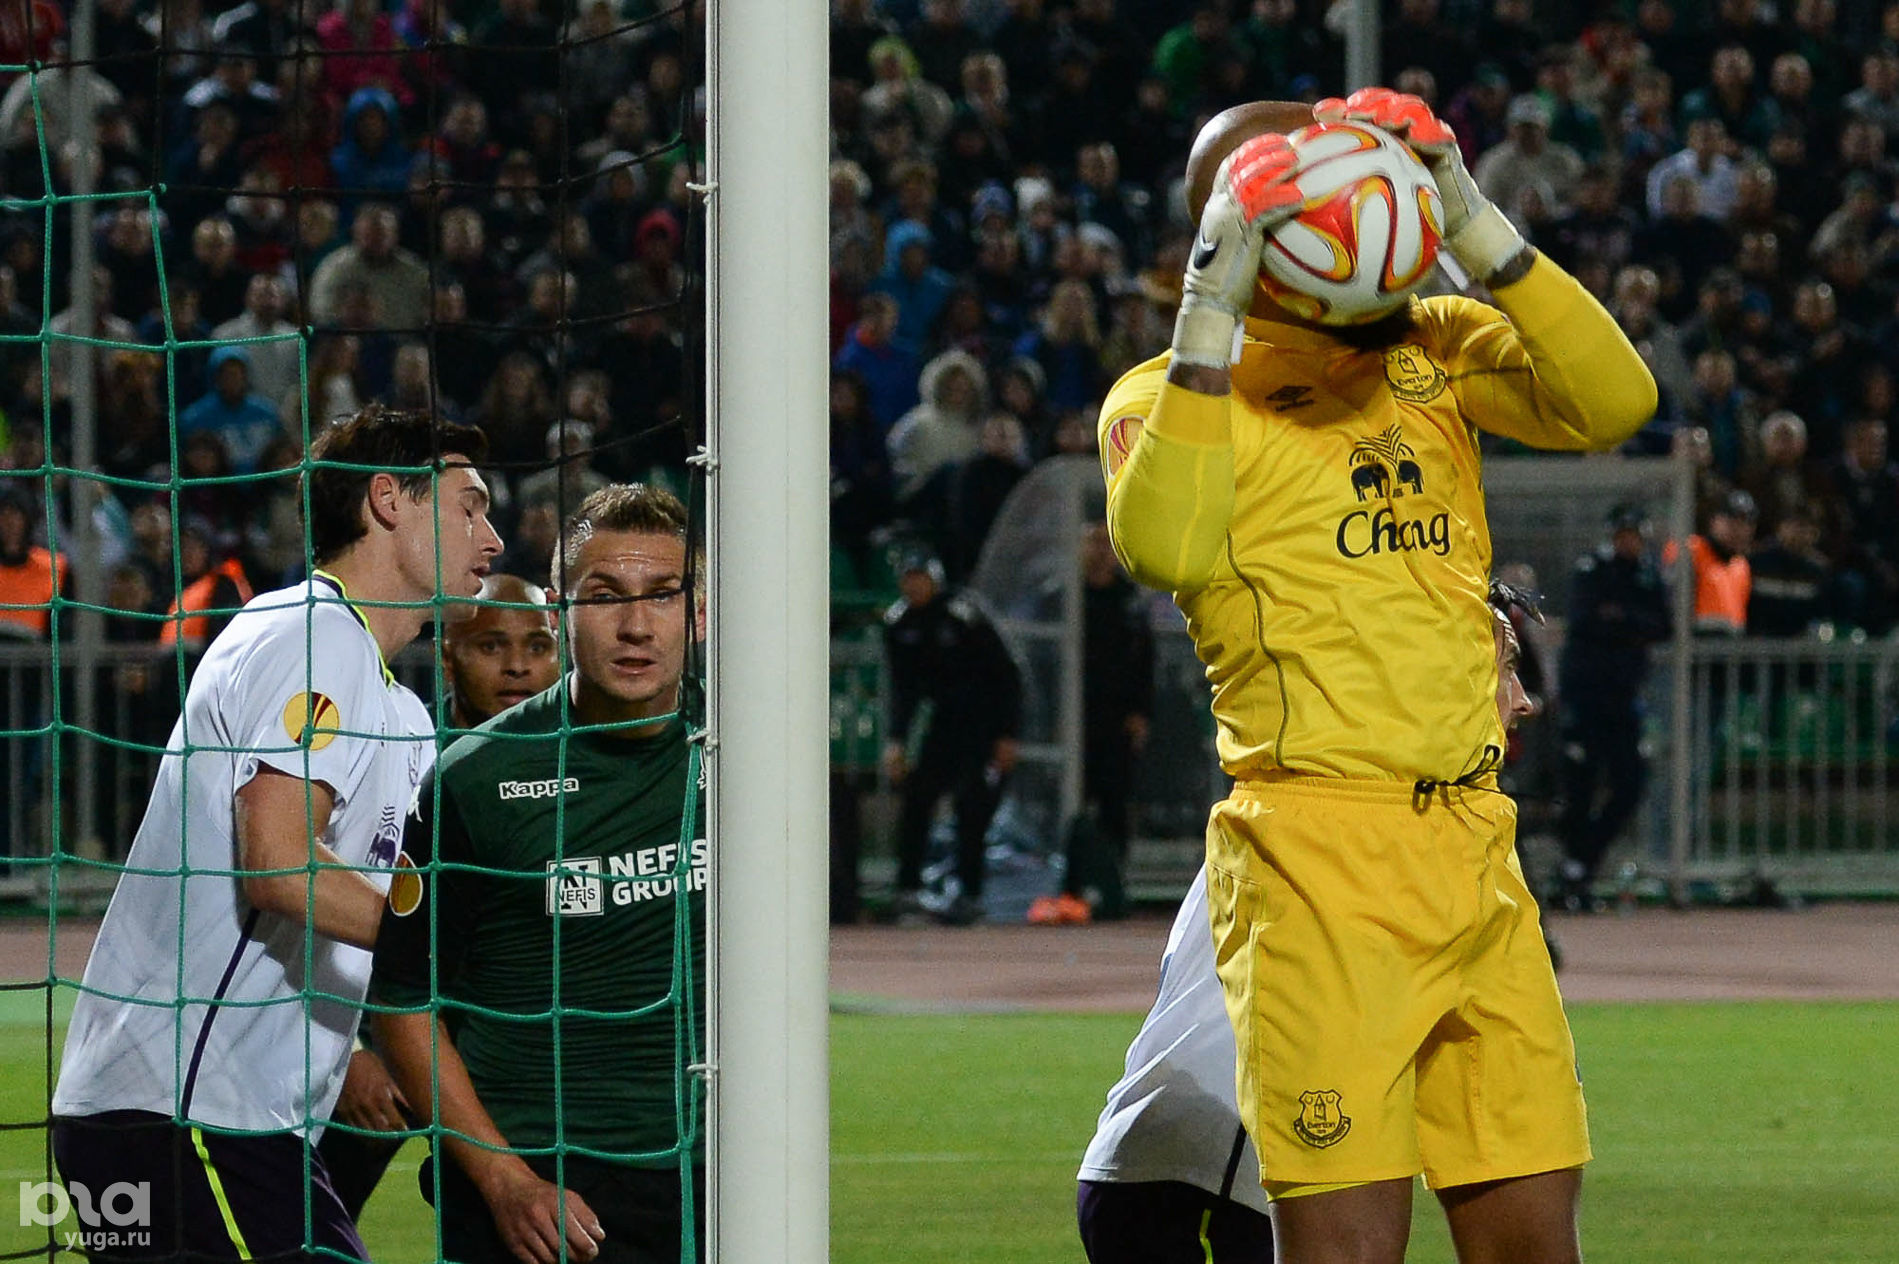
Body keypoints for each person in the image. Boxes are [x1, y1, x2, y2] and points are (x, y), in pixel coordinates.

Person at [1098, 91, 1654, 1262]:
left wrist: (1469, 213)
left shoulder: (1431, 346)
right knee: (1347, 1251)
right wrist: (1214, 302)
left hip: (1474, 844)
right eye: (1285, 184)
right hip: (1318, 858)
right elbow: (1165, 550)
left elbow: (1617, 400)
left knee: (1535, 1248)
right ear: (1228, 226)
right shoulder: (1169, 393)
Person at [51, 405, 502, 1263]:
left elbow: (365, 909)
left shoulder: (402, 710)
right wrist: (470, 945)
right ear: (388, 500)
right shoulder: (311, 633)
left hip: (244, 1123)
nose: (493, 537)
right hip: (179, 1117)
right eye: (469, 506)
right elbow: (282, 866)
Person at [1075, 582, 1547, 1264]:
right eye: (1503, 670)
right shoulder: (1375, 831)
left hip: (1142, 1162)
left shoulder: (1304, 800)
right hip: (1227, 1177)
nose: (1522, 700)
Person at [373, 483, 706, 1264]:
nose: (635, 625)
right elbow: (401, 1001)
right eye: (605, 596)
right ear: (558, 611)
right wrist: (503, 1180)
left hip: (711, 1171)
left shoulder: (743, 747)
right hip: (538, 1182)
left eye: (662, 595)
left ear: (697, 613)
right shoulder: (476, 779)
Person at [315, 572, 562, 1221]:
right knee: (307, 1220)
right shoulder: (406, 752)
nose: (517, 666)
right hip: (388, 1041)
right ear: (449, 656)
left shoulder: (578, 764)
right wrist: (347, 1055)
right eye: (492, 646)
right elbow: (323, 898)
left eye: (537, 646)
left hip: (516, 1051)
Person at [881, 548, 1021, 925]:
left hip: (981, 723)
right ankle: (908, 890)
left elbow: (1006, 674)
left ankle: (969, 894)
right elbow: (903, 691)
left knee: (972, 808)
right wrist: (896, 740)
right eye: (908, 578)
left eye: (920, 577)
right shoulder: (900, 624)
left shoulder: (963, 615)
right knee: (918, 800)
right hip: (941, 723)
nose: (913, 585)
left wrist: (1006, 734)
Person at [1553, 505, 1672, 912]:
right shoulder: (1592, 570)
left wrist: (1621, 618)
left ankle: (1582, 862)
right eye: (1623, 534)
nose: (1629, 541)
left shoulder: (1647, 574)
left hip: (1624, 698)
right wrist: (1629, 625)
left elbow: (1663, 624)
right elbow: (1587, 619)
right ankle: (1574, 872)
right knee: (1580, 785)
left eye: (1634, 534)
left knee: (1630, 783)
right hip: (1586, 696)